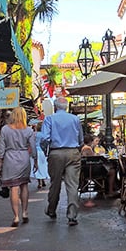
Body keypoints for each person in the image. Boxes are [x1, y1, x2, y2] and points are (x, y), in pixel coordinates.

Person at [39, 96, 84, 226]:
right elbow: (81, 139)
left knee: (55, 183)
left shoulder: (49, 119)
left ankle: (52, 209)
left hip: (56, 153)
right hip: (73, 152)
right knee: (72, 184)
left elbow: (44, 139)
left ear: (55, 107)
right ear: (67, 107)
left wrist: (45, 151)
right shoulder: (75, 119)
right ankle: (72, 215)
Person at [0, 107, 36, 227]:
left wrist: (0, 159)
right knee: (24, 185)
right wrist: (35, 159)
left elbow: (1, 146)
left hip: (10, 158)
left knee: (13, 188)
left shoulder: (5, 129)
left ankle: (16, 216)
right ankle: (24, 212)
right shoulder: (28, 130)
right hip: (24, 157)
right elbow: (33, 147)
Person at [29, 119, 49, 190]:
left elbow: (30, 143)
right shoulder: (44, 135)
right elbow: (46, 143)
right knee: (42, 166)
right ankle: (43, 180)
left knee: (37, 166)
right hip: (42, 152)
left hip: (35, 151)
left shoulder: (33, 134)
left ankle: (39, 182)